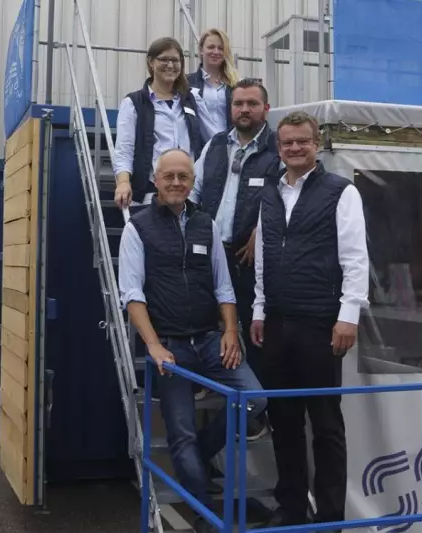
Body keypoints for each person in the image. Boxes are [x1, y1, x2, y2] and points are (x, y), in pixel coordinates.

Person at [118, 148, 267, 533]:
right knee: (179, 431)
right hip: (170, 345)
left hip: (210, 340)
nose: (176, 183)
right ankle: (205, 516)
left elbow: (223, 285)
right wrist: (152, 344)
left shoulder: (207, 224)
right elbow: (132, 294)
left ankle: (199, 453)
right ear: (155, 180)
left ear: (192, 181)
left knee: (255, 401)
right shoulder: (138, 227)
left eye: (183, 176)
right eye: (169, 176)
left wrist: (231, 332)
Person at [249, 111, 370, 529]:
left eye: (302, 141)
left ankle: (331, 516)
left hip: (322, 323)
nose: (294, 148)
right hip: (278, 323)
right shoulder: (270, 193)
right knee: (284, 421)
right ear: (278, 148)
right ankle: (292, 508)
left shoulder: (341, 192)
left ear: (316, 144)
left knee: (325, 425)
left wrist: (348, 316)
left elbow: (356, 259)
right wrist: (259, 309)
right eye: (287, 143)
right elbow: (263, 256)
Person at [189, 78, 279, 440]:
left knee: (253, 333)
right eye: (238, 103)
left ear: (265, 109)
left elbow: (288, 194)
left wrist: (263, 228)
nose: (244, 109)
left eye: (252, 104)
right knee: (205, 326)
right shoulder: (213, 145)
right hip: (210, 254)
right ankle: (214, 387)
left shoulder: (278, 148)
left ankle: (256, 415)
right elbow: (194, 190)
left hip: (247, 258)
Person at [113, 38, 205, 208]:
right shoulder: (134, 103)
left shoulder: (193, 100)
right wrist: (123, 182)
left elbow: (209, 140)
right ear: (151, 63)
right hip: (150, 196)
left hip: (187, 195)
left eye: (175, 60)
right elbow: (124, 150)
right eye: (164, 59)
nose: (170, 65)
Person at [187, 29, 239, 141]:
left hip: (228, 147)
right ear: (201, 50)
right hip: (199, 149)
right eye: (211, 47)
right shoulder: (187, 83)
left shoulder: (235, 85)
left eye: (221, 48)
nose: (216, 52)